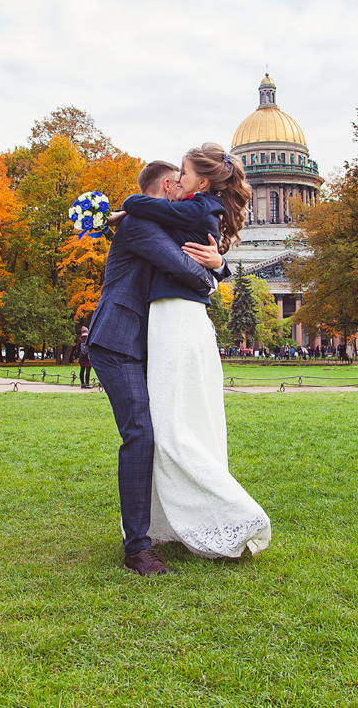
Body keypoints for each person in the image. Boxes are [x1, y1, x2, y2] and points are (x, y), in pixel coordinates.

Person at [118, 143, 272, 560]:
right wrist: (218, 264)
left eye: (183, 174)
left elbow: (142, 207)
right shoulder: (197, 211)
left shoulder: (193, 209)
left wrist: (215, 269)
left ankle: (237, 513)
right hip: (180, 321)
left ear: (201, 181)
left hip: (176, 320)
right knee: (186, 420)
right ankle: (175, 521)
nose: (177, 182)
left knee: (171, 427)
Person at [87, 161, 229, 576]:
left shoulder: (149, 222)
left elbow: (204, 253)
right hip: (117, 341)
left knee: (160, 431)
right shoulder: (139, 227)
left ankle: (168, 522)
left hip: (143, 343)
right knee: (140, 433)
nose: (185, 190)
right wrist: (212, 279)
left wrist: (219, 262)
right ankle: (136, 548)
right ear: (167, 186)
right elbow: (184, 267)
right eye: (180, 183)